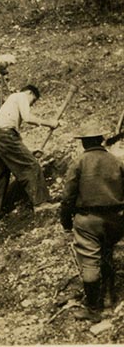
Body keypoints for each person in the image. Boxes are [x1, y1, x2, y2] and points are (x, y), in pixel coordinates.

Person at [60, 123, 124, 322]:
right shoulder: (117, 161)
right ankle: (110, 297)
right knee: (106, 253)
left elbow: (67, 196)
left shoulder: (79, 162)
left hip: (88, 220)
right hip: (116, 220)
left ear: (84, 142)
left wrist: (66, 222)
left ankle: (93, 308)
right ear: (101, 140)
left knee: (89, 260)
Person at [0, 85, 61, 224]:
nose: (32, 103)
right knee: (31, 166)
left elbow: (12, 142)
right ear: (30, 93)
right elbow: (27, 117)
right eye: (33, 100)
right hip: (5, 136)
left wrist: (30, 151)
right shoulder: (21, 96)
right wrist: (49, 123)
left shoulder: (10, 102)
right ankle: (41, 203)